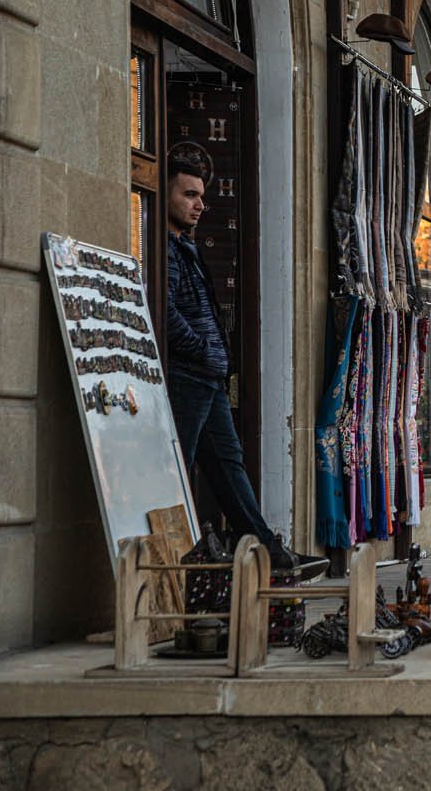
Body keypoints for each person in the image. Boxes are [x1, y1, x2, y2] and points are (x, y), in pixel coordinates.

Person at [166, 160, 317, 570]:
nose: (200, 205)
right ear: (165, 193)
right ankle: (173, 560)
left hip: (207, 377)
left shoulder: (186, 246)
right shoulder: (164, 247)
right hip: (187, 375)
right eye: (189, 194)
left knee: (229, 468)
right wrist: (201, 349)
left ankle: (268, 551)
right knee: (176, 471)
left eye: (202, 196)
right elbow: (162, 309)